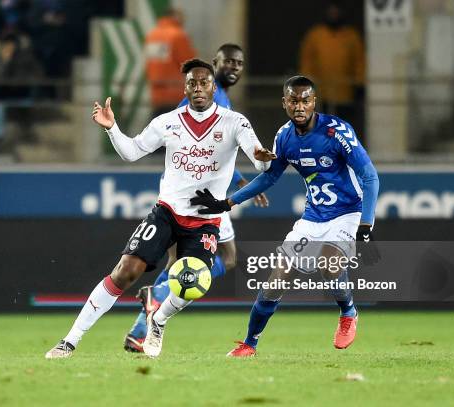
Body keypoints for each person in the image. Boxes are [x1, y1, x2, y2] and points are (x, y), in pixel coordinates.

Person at [45, 59, 275, 359]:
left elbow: (258, 159)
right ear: (186, 88)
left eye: (204, 83)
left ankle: (159, 320)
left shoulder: (235, 122)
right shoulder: (168, 122)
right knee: (126, 271)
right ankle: (69, 341)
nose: (198, 88)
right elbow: (131, 152)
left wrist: (263, 159)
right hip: (167, 211)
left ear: (213, 87)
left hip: (205, 219)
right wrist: (112, 128)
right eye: (192, 83)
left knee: (194, 282)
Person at [190, 75, 380, 357]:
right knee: (276, 279)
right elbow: (268, 178)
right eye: (293, 100)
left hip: (348, 213)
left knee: (330, 263)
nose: (299, 106)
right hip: (313, 217)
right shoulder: (284, 137)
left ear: (314, 102)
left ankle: (348, 313)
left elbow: (369, 176)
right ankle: (249, 344)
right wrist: (226, 203)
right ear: (285, 103)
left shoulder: (337, 131)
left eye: (305, 100)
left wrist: (366, 222)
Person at [123, 43, 269, 353]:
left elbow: (218, 151)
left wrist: (242, 179)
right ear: (214, 65)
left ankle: (140, 329)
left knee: (178, 263)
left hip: (200, 192)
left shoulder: (221, 101)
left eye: (239, 63)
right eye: (227, 61)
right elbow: (196, 149)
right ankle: (155, 302)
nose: (233, 67)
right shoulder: (203, 99)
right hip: (195, 195)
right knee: (226, 257)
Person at [299, 2, 365, 134]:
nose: (333, 15)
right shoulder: (315, 36)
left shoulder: (351, 36)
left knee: (342, 129)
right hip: (321, 95)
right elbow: (307, 61)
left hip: (345, 94)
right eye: (331, 12)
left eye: (336, 12)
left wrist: (359, 84)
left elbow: (359, 62)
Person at [144, 7, 196, 119]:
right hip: (176, 93)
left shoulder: (152, 35)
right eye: (182, 17)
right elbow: (190, 63)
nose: (184, 20)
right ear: (175, 17)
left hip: (156, 94)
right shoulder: (178, 36)